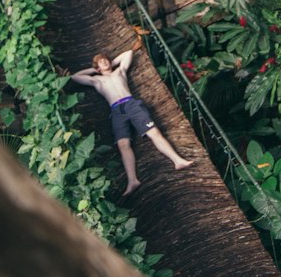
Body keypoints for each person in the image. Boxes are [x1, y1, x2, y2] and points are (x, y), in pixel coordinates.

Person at [70, 48, 191, 195]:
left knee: (154, 132)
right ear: (97, 67)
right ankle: (132, 180)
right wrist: (95, 69)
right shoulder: (96, 80)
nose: (105, 62)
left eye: (106, 59)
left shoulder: (119, 71)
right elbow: (76, 77)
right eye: (101, 62)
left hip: (131, 104)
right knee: (123, 144)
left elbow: (128, 53)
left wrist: (110, 62)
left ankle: (177, 160)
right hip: (116, 110)